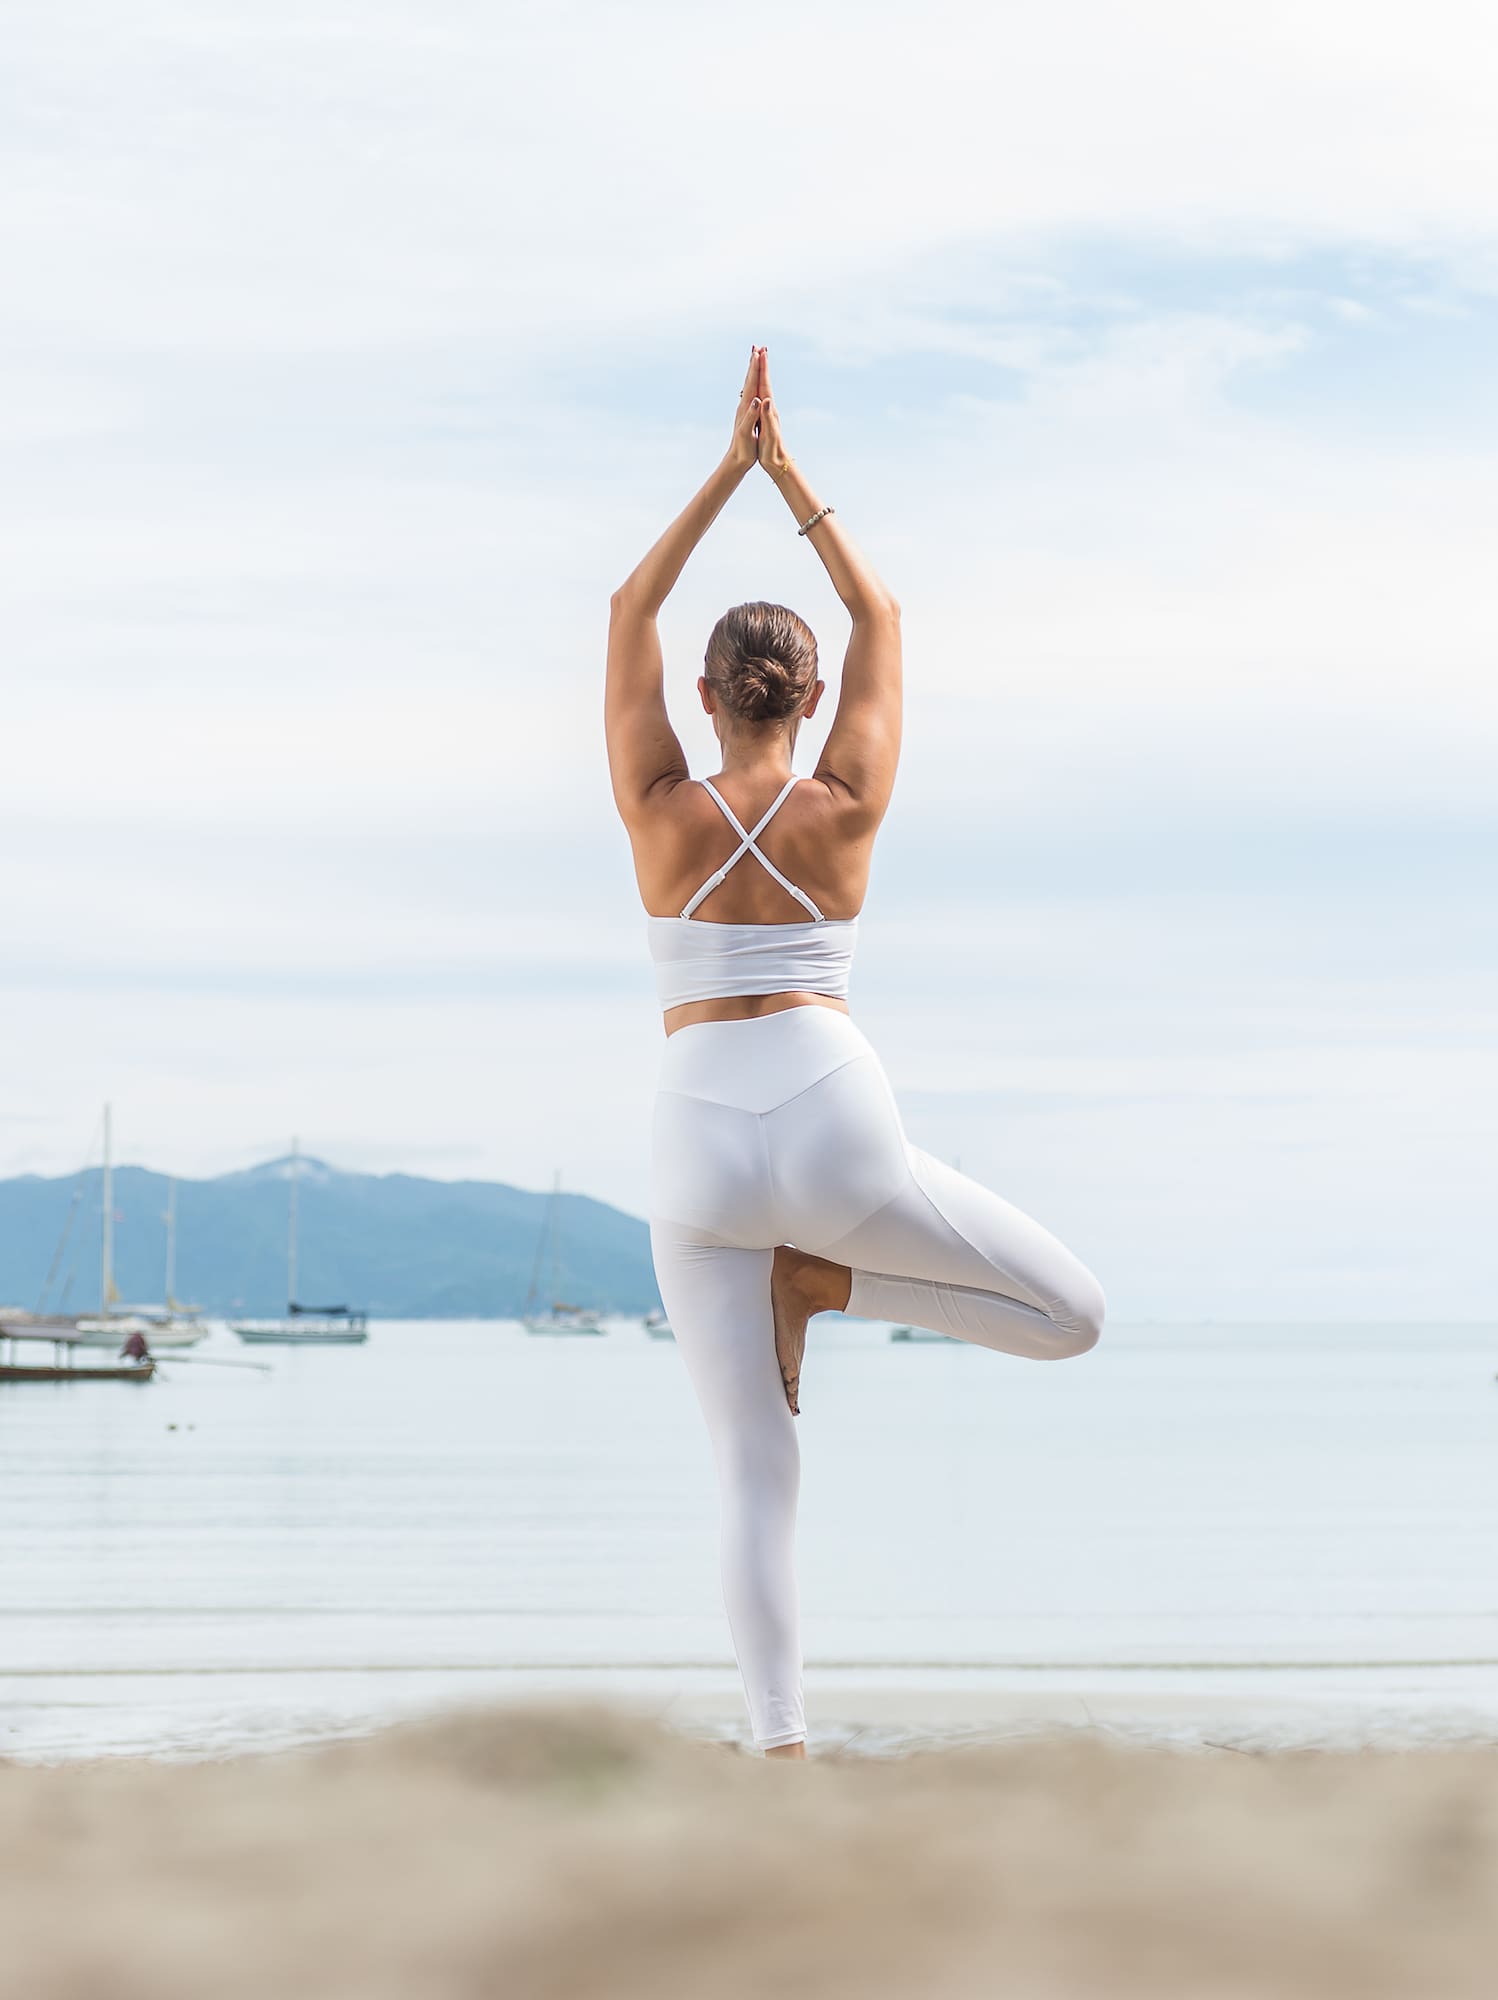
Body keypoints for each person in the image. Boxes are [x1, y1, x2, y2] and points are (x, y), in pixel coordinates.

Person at [605, 345, 1105, 1761]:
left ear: (704, 694)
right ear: (808, 700)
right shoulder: (847, 799)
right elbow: (877, 605)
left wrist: (725, 469)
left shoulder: (655, 806)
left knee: (752, 1476)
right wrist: (790, 476)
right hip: (833, 1115)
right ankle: (831, 1280)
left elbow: (626, 605)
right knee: (1070, 1316)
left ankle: (778, 1744)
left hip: (694, 1134)